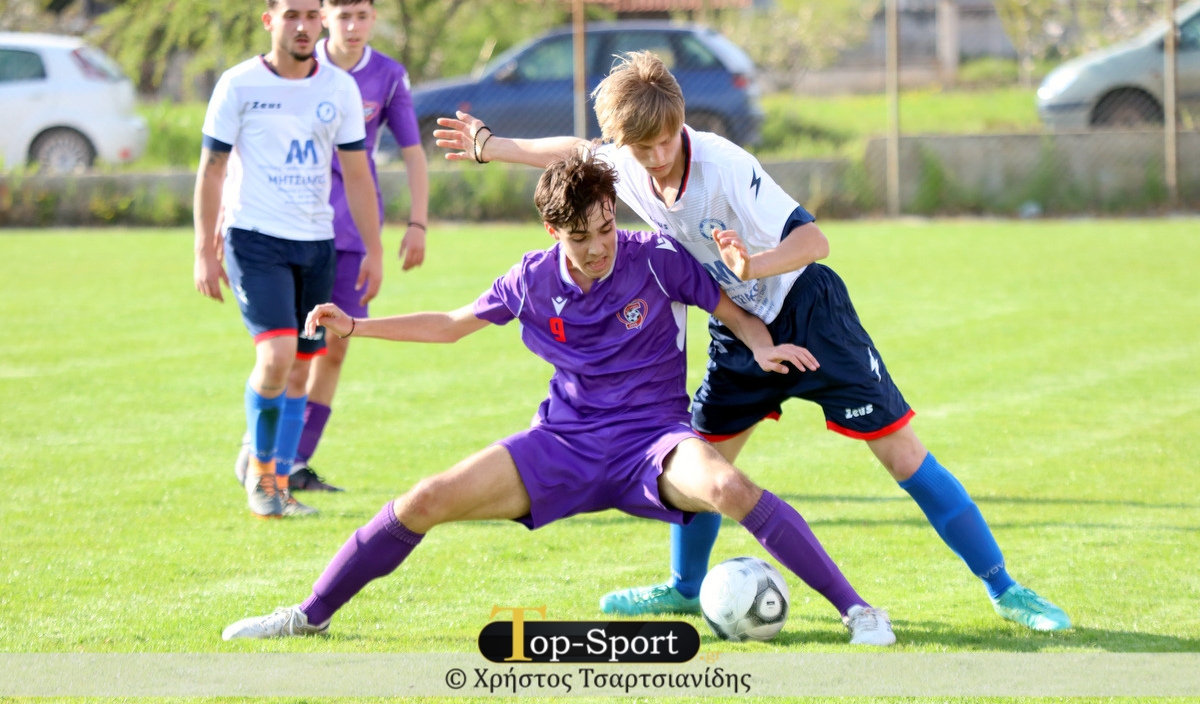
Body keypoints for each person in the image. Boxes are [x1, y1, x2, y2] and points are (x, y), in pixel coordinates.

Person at [432, 51, 1071, 632]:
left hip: (809, 314)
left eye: (663, 141)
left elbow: (815, 241)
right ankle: (685, 589)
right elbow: (575, 151)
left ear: (680, 121)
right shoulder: (624, 160)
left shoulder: (725, 166)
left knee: (901, 455)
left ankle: (1007, 589)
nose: (654, 157)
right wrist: (491, 145)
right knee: (701, 461)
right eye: (640, 148)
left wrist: (753, 264)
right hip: (739, 330)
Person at [221, 152, 895, 645]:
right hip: (562, 445)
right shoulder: (530, 280)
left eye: (606, 228)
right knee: (425, 498)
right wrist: (356, 326)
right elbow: (451, 325)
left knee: (726, 485)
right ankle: (306, 615)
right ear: (552, 231)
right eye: (581, 236)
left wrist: (762, 344)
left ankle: (859, 611)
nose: (600, 247)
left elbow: (731, 310)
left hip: (653, 443)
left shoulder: (657, 257)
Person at [232, 0, 431, 493]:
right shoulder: (297, 68)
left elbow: (413, 152)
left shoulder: (387, 76)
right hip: (290, 226)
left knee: (334, 345)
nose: (353, 26)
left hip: (352, 233)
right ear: (325, 19)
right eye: (343, 16)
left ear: (374, 18)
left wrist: (416, 223)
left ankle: (293, 461)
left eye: (362, 16)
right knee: (285, 348)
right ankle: (261, 451)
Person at [194, 0, 383, 519]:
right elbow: (211, 169)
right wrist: (203, 248)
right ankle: (261, 478)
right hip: (255, 238)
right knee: (276, 356)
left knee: (300, 369)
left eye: (311, 15)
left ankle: (275, 478)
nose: (303, 26)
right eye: (291, 15)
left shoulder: (338, 89)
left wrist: (373, 249)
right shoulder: (238, 84)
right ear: (269, 21)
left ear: (321, 20)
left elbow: (358, 176)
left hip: (317, 243)